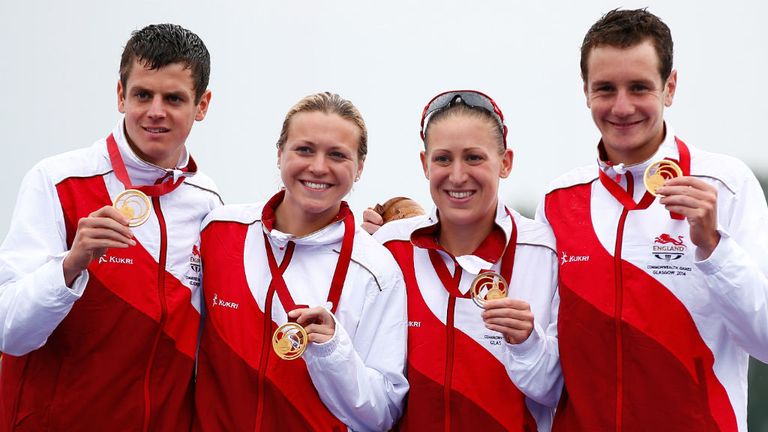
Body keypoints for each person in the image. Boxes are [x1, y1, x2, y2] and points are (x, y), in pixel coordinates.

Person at [537, 9, 768, 431]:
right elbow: (547, 364)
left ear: (670, 87)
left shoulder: (727, 185)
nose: (622, 107)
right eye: (605, 88)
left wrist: (714, 248)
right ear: (586, 92)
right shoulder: (558, 201)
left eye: (639, 87)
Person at [0, 24, 220, 430]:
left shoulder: (209, 202)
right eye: (142, 95)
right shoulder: (58, 181)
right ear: (121, 96)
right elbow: (10, 331)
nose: (156, 111)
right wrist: (70, 265)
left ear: (202, 105)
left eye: (174, 98)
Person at [193, 92, 408, 431]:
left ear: (360, 167)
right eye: (304, 149)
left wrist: (334, 351)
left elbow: (382, 415)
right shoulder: (220, 231)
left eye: (337, 154)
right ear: (280, 154)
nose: (318, 167)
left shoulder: (377, 270)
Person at [370, 90, 561, 431]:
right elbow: (372, 389)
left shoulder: (544, 251)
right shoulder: (389, 248)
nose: (457, 176)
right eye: (443, 159)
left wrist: (528, 342)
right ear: (424, 163)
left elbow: (556, 391)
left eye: (474, 158)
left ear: (505, 163)